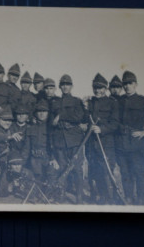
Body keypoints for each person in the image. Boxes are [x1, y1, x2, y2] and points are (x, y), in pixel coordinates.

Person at [116, 70, 144, 205]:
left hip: (136, 144)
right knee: (125, 173)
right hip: (121, 143)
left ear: (136, 84)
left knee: (138, 172)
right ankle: (128, 197)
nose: (127, 86)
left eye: (130, 83)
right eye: (125, 84)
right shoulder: (118, 101)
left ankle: (140, 199)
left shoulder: (143, 101)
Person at [51, 74, 87, 203]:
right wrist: (55, 119)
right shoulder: (54, 102)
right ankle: (62, 194)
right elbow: (51, 120)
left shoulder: (77, 101)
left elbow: (79, 117)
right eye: (63, 84)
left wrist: (60, 116)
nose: (65, 87)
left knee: (77, 168)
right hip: (60, 139)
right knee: (62, 168)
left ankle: (79, 195)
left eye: (68, 84)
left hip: (74, 139)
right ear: (60, 87)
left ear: (71, 86)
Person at [85, 73, 119, 204]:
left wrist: (102, 129)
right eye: (95, 88)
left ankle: (109, 198)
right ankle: (97, 196)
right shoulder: (90, 102)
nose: (97, 90)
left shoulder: (112, 103)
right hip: (91, 144)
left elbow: (115, 123)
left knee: (106, 171)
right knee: (94, 171)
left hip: (105, 143)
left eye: (100, 88)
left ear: (105, 89)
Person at [22, 100, 58, 186]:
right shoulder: (30, 128)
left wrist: (54, 158)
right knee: (36, 182)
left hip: (48, 158)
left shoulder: (52, 128)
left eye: (44, 111)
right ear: (36, 113)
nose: (42, 114)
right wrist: (21, 163)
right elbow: (26, 148)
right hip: (35, 159)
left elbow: (56, 146)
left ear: (48, 113)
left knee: (51, 179)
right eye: (39, 112)